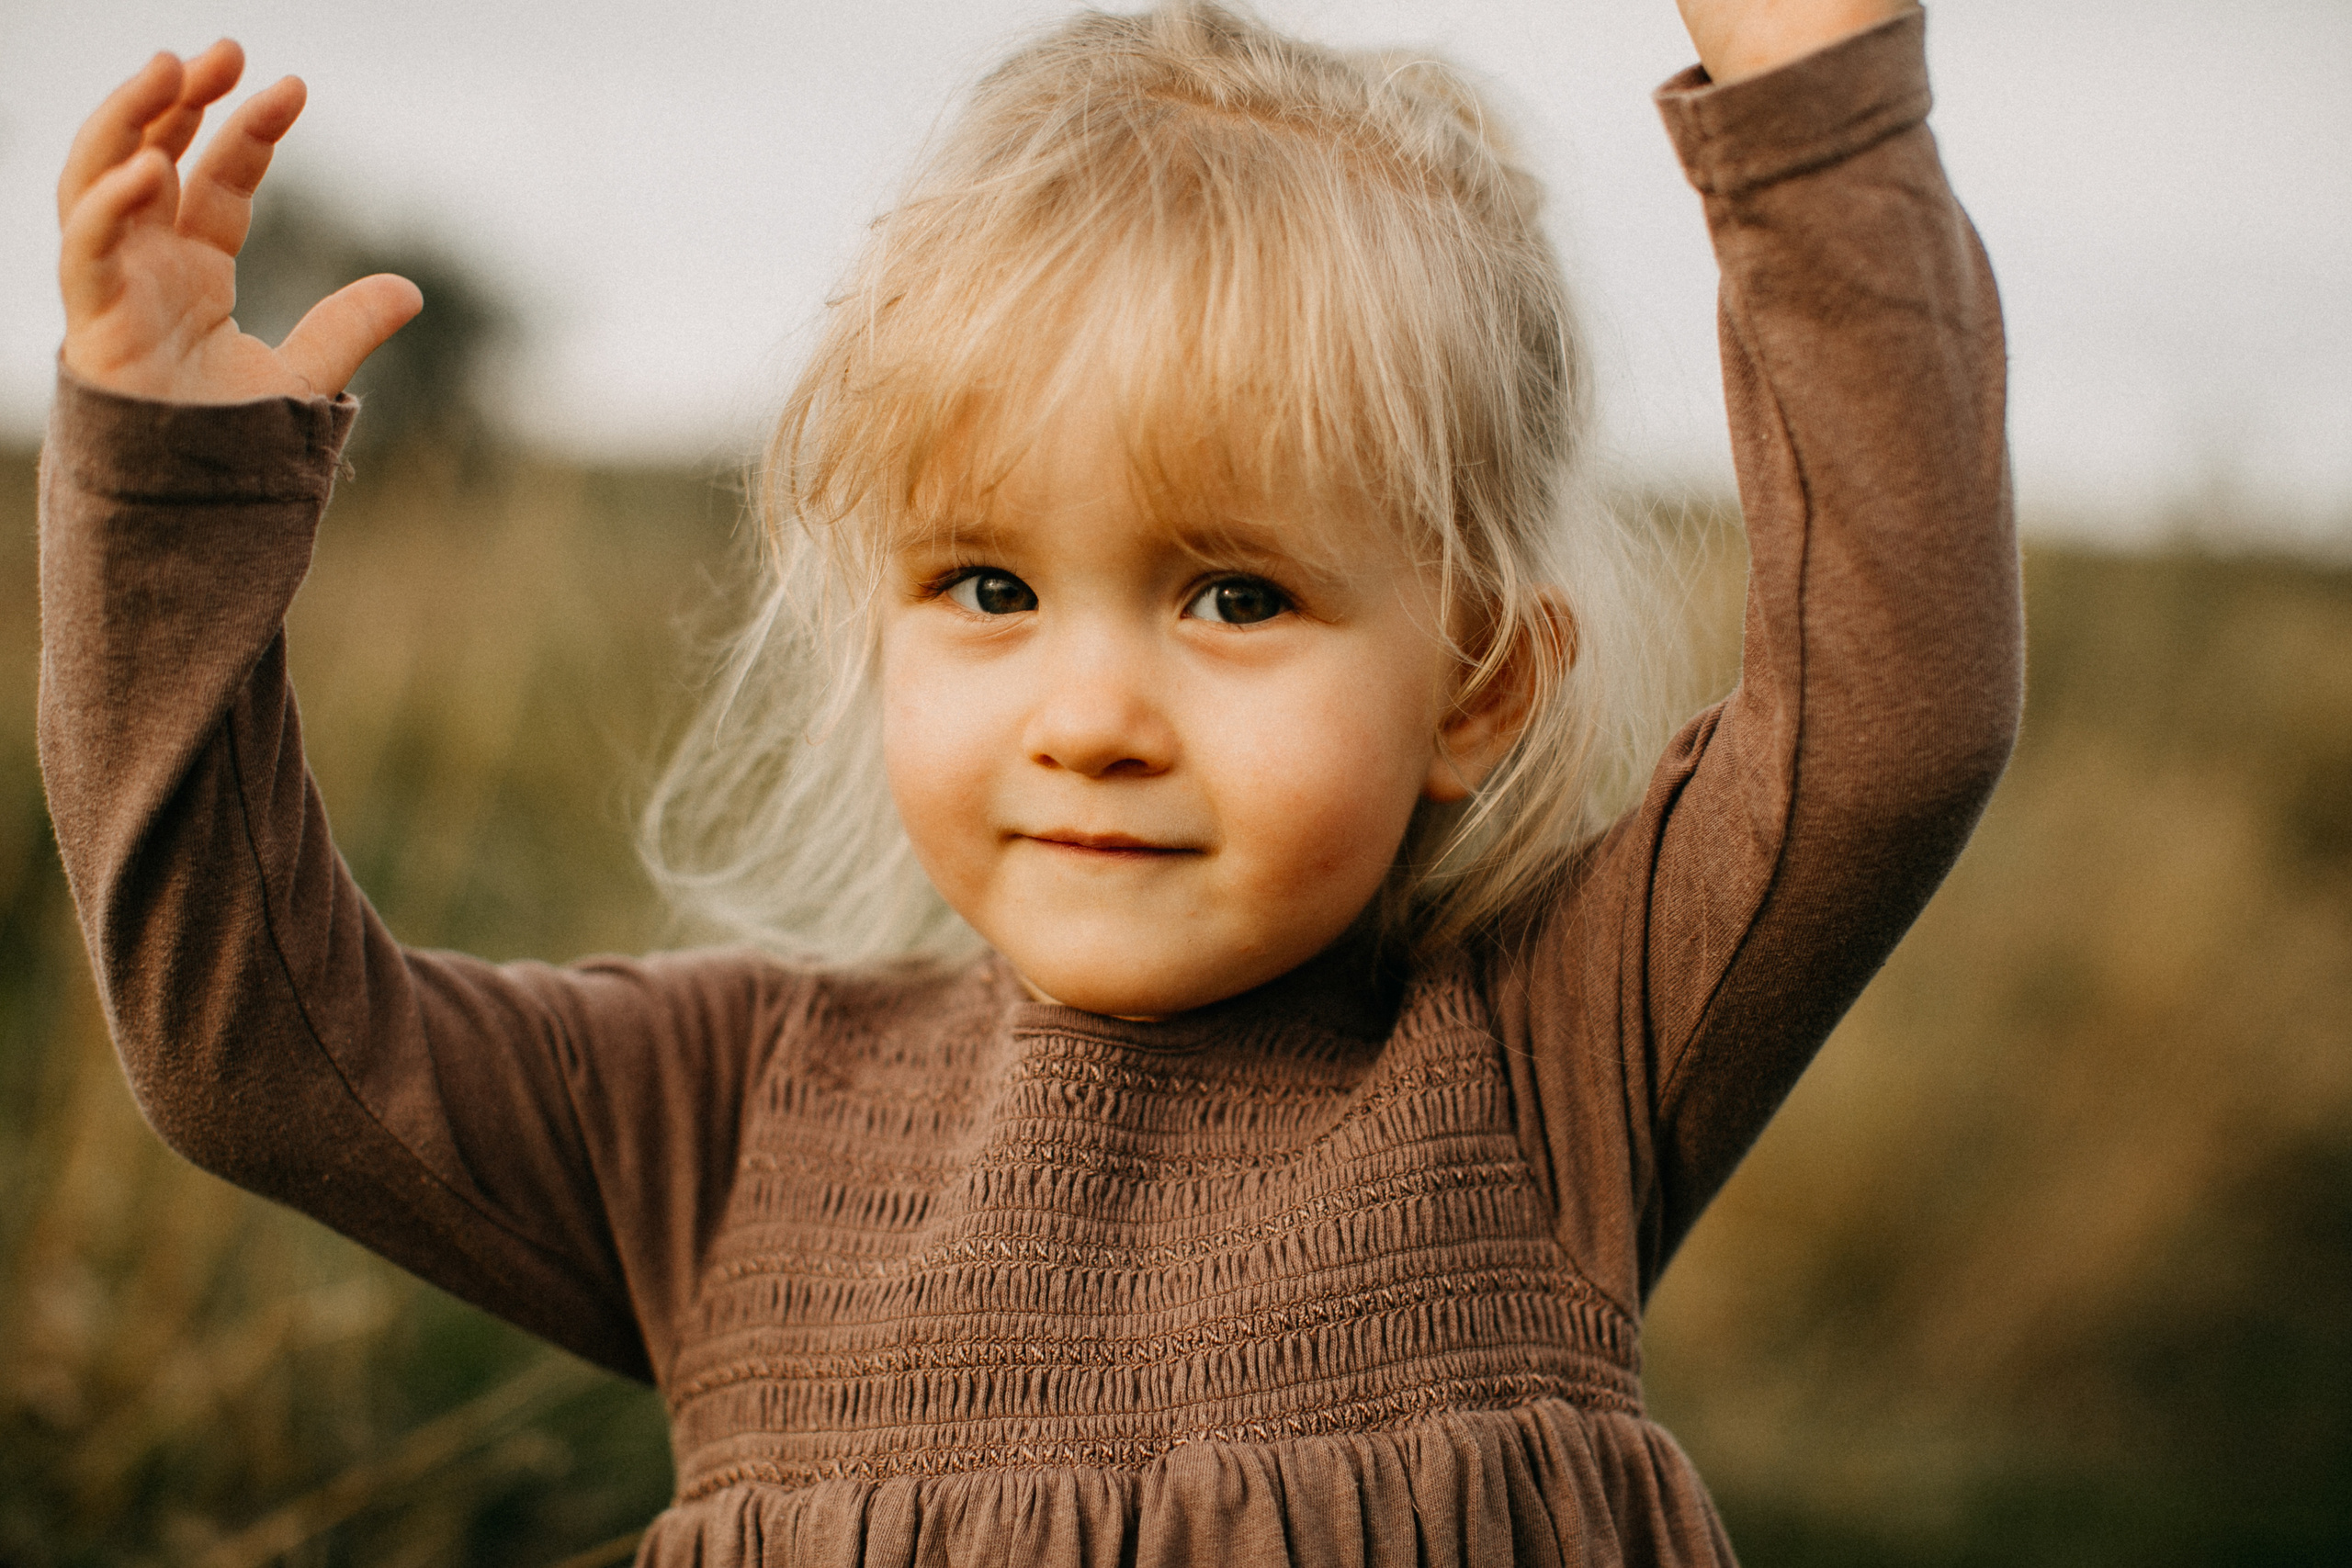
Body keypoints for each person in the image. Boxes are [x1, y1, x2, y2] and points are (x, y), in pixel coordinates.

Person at [38, 0, 2018, 1562]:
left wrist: (1809, 110)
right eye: (986, 583)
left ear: (1474, 685)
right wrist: (165, 509)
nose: (1091, 712)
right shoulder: (724, 1117)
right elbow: (256, 1049)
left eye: (1234, 593)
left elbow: (1890, 719)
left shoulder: (1545, 1054)